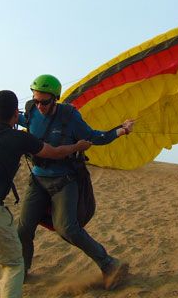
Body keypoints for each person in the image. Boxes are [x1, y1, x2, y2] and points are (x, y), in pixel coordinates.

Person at [0, 90, 91, 298]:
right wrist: (78, 146)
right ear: (15, 114)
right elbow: (55, 152)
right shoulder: (20, 139)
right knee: (13, 265)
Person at [17, 74, 134, 290]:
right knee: (23, 229)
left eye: (45, 101)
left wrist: (122, 129)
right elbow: (18, 119)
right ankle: (21, 272)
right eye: (36, 100)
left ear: (55, 99)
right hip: (38, 179)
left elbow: (95, 137)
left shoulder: (70, 117)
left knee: (68, 229)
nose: (40, 106)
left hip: (64, 180)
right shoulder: (31, 111)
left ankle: (109, 264)